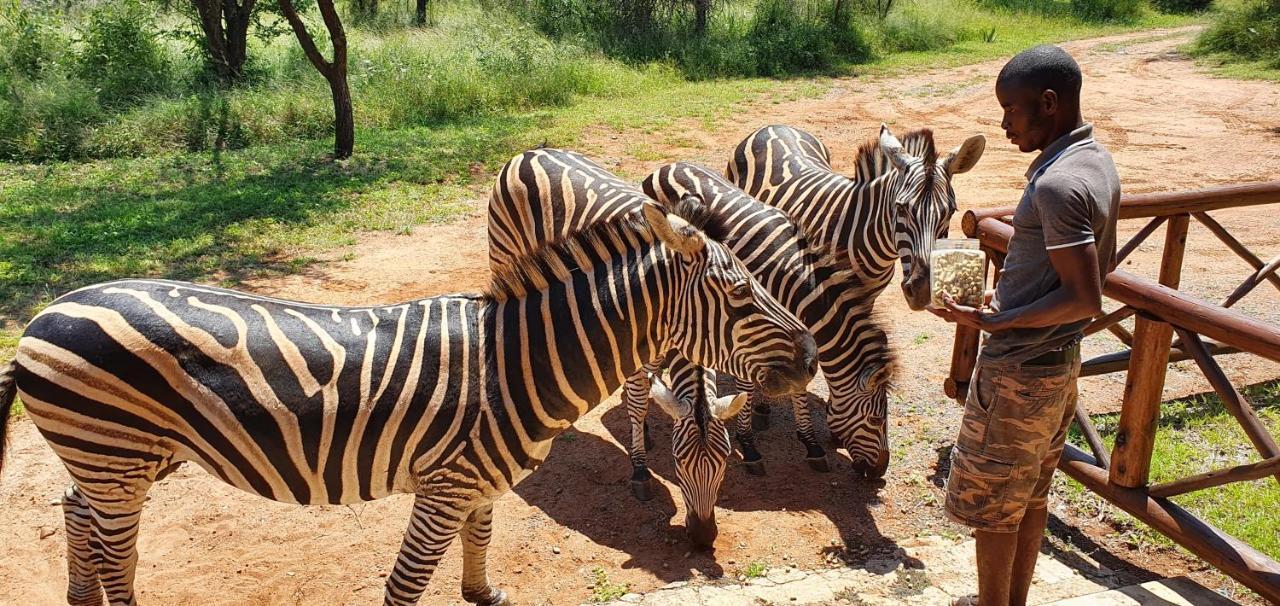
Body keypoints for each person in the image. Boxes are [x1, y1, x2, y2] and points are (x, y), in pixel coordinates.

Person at [930, 44, 1121, 606]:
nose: (1004, 124)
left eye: (1011, 110)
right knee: (1031, 496)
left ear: (1049, 102)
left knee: (993, 509)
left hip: (1020, 375)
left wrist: (999, 319)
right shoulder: (1094, 161)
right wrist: (1012, 289)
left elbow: (1084, 296)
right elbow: (1057, 266)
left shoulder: (1059, 184)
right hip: (1057, 367)